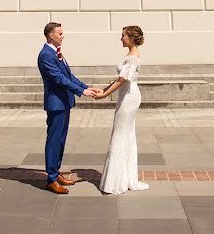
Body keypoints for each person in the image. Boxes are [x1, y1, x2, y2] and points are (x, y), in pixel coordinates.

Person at [37, 21, 102, 194]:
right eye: (60, 33)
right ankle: (51, 179)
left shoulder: (57, 53)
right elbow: (59, 79)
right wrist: (82, 91)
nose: (63, 36)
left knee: (61, 140)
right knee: (54, 141)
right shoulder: (46, 55)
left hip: (64, 102)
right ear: (51, 35)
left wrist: (86, 87)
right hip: (55, 104)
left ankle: (56, 173)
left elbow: (69, 76)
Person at [96, 25, 150, 195]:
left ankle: (116, 181)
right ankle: (123, 177)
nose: (121, 38)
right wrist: (104, 89)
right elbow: (119, 79)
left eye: (123, 35)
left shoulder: (133, 57)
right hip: (125, 96)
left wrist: (104, 94)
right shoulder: (129, 55)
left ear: (132, 38)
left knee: (120, 134)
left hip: (129, 98)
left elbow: (122, 80)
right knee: (125, 134)